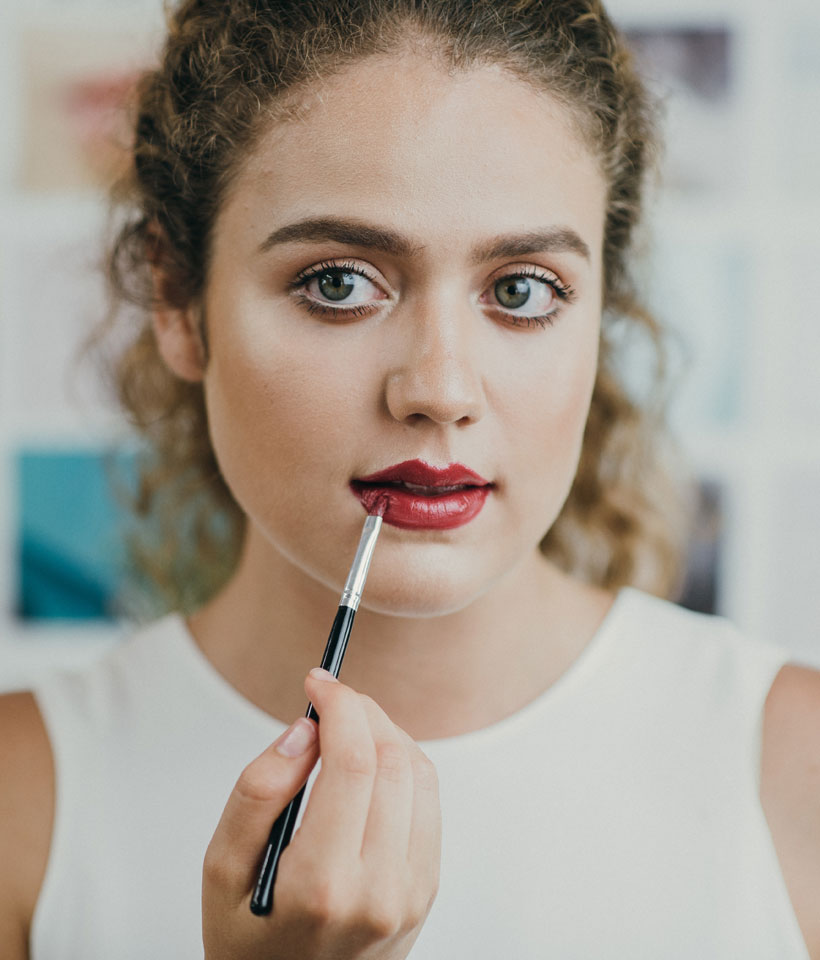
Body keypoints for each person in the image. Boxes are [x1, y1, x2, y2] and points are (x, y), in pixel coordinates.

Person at [1, 0, 819, 957]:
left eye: (521, 290)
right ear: (179, 302)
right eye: (338, 281)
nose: (439, 391)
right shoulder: (22, 805)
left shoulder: (796, 772)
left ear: (601, 313)